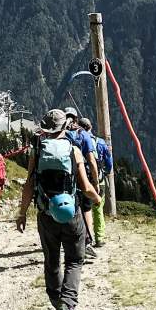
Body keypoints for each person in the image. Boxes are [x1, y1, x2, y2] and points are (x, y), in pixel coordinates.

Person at [17, 109, 103, 310]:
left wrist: (22, 213)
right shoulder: (74, 150)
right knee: (74, 260)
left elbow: (29, 185)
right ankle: (68, 306)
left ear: (45, 128)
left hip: (46, 214)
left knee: (52, 259)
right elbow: (85, 187)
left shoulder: (37, 150)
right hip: (71, 214)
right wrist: (97, 198)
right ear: (65, 126)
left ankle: (57, 301)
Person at [62, 108, 99, 260]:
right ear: (76, 118)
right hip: (83, 176)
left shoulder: (60, 133)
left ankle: (71, 241)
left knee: (70, 208)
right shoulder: (83, 134)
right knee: (86, 209)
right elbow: (91, 161)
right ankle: (87, 241)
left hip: (64, 178)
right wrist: (95, 182)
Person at [79, 117, 113, 246]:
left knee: (83, 209)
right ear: (90, 127)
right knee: (98, 207)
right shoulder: (101, 142)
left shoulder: (77, 141)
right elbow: (109, 161)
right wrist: (105, 172)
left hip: (82, 180)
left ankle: (85, 237)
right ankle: (99, 238)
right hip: (98, 179)